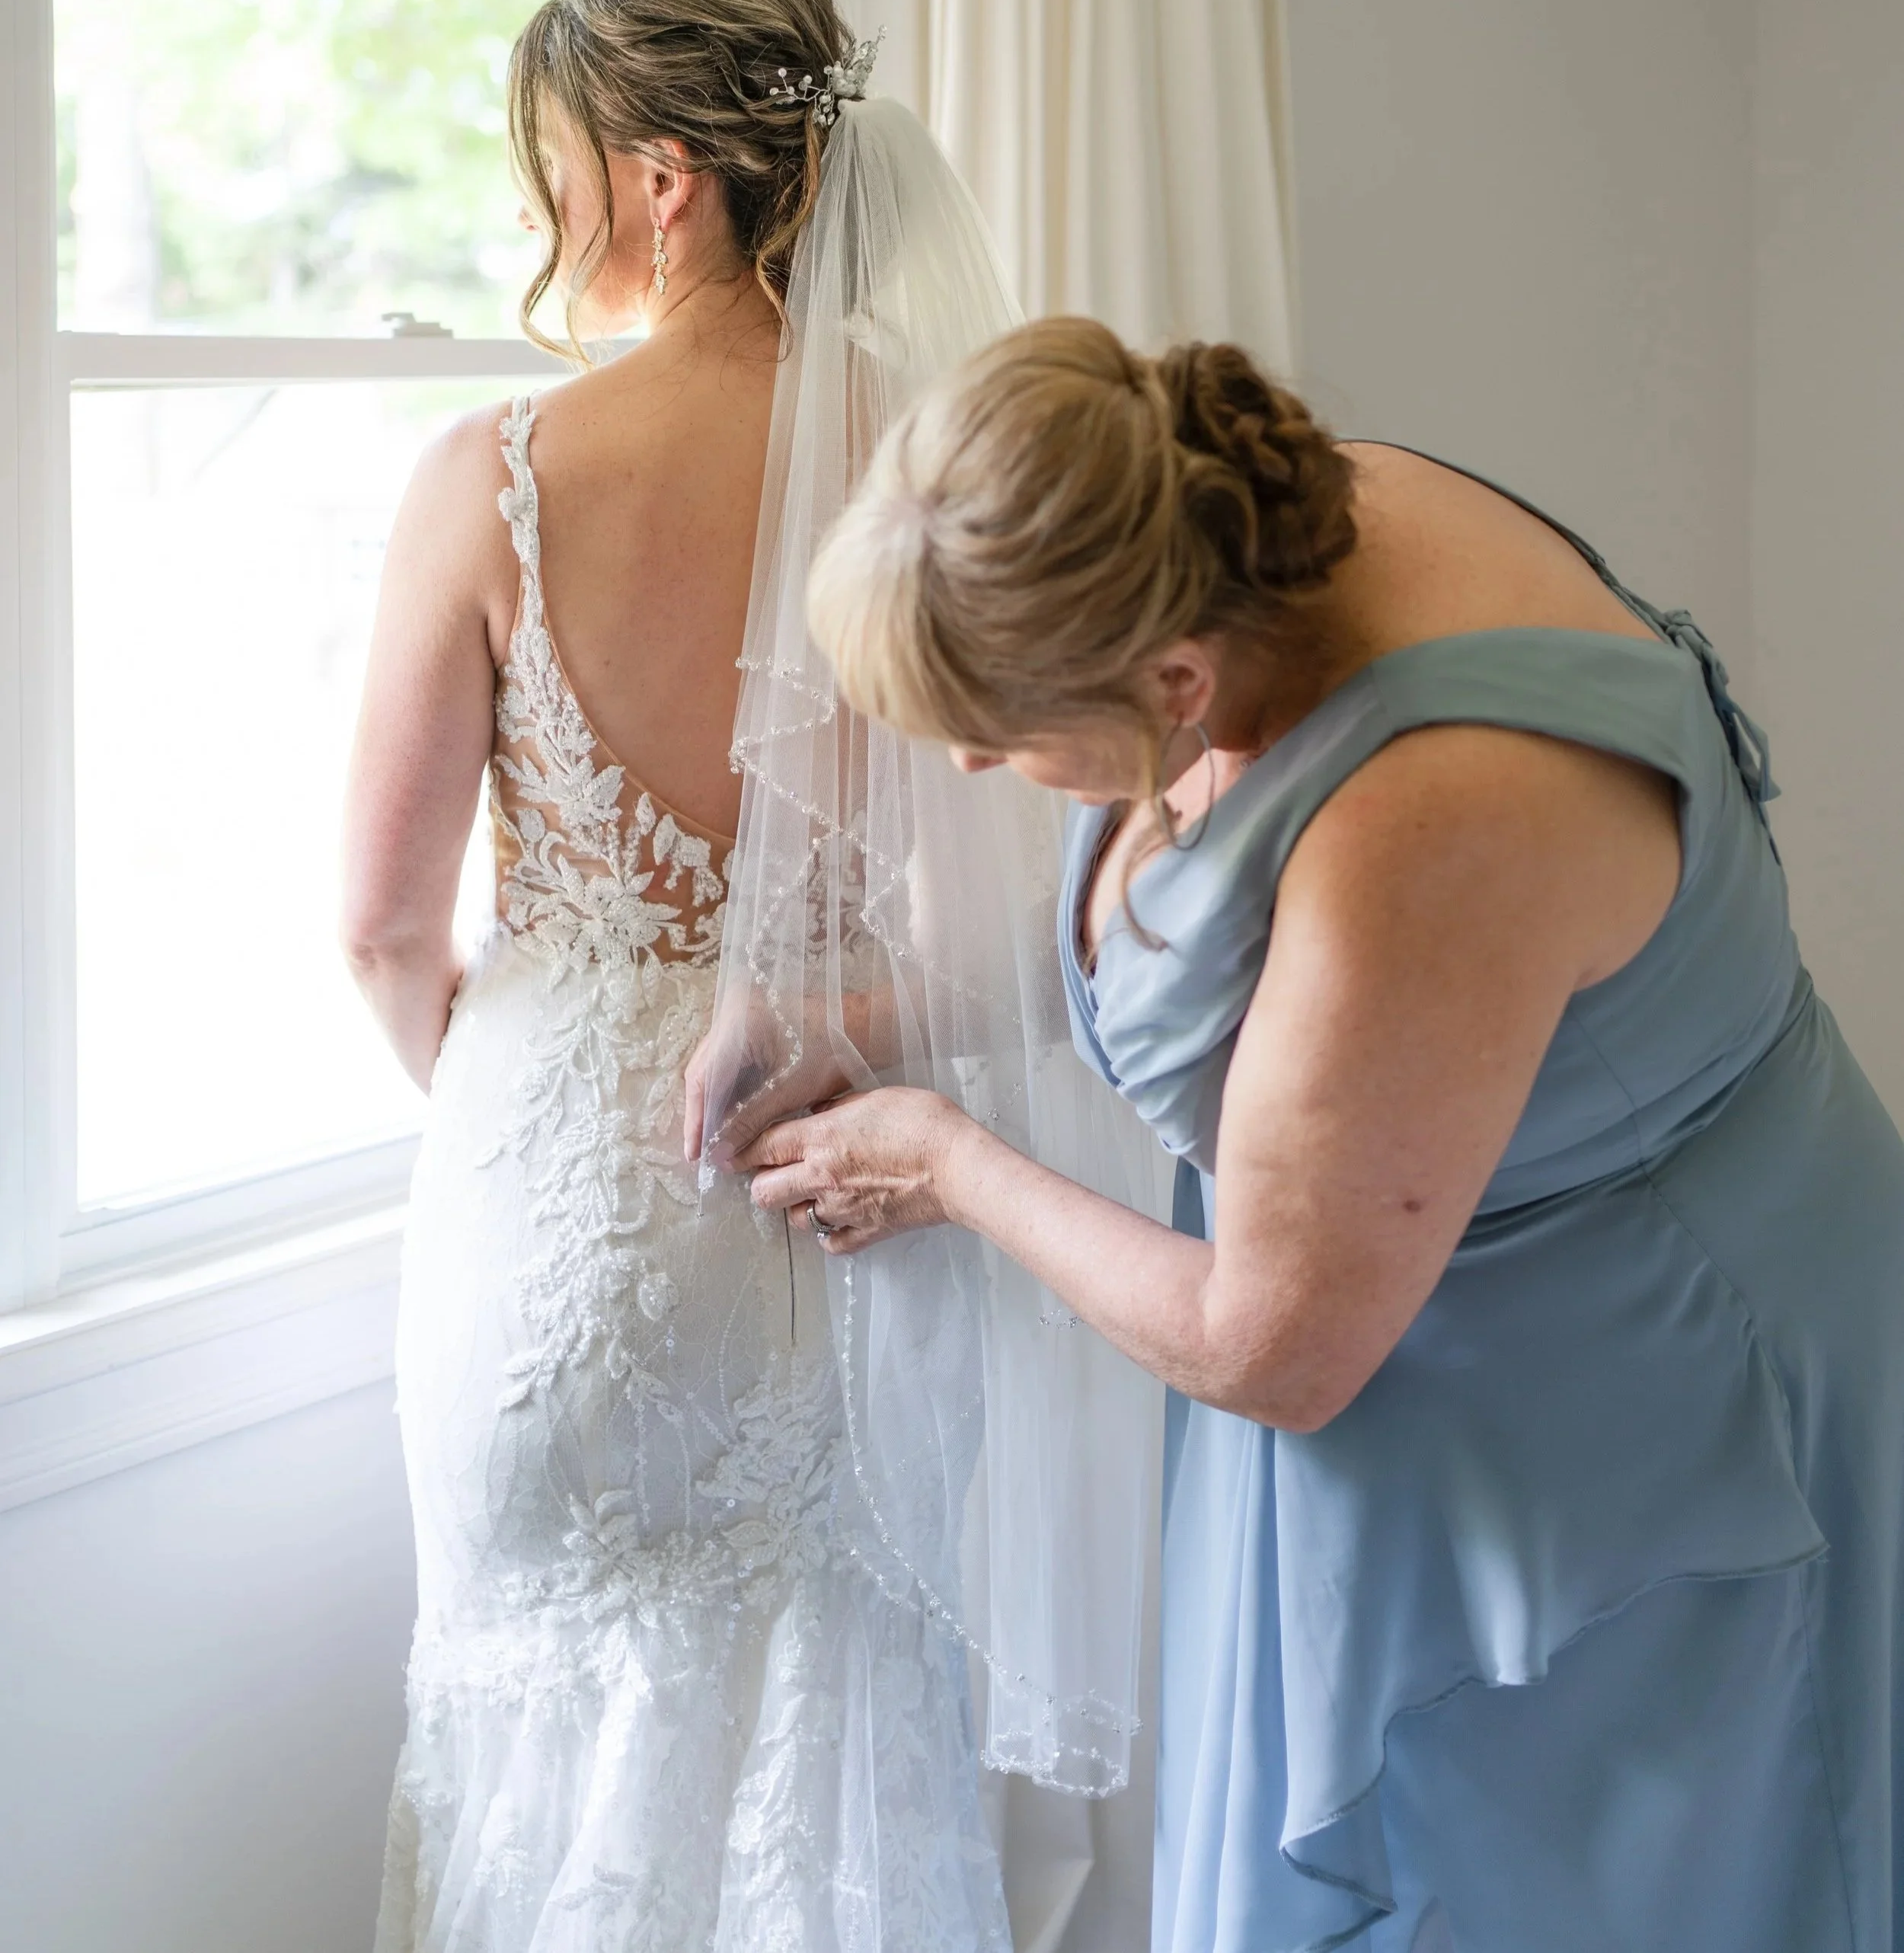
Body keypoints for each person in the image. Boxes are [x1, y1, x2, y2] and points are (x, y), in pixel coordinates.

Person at [732, 315, 1904, 1953]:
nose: (972, 766)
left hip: (1631, 1416)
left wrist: (944, 1159)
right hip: (1413, 1305)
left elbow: (1267, 1339)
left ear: (1172, 684)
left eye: (992, 732)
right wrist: (866, 1016)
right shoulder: (1229, 523)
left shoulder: (1427, 824)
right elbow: (1229, 952)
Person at [343, 0, 1158, 1953]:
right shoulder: (958, 460)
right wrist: (843, 1019)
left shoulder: (497, 479)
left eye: (561, 167)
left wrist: (545, 1110)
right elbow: (1019, 922)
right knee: (833, 1765)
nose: (555, 223)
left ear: (665, 178)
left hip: (560, 1227)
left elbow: (379, 925)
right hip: (851, 1195)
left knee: (547, 1779)